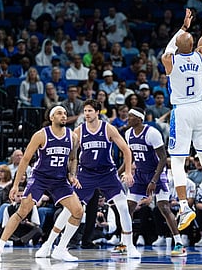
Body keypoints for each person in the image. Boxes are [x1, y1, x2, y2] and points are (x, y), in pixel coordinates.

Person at [36, 99, 140, 258]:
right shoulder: (78, 131)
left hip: (107, 173)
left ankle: (129, 244)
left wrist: (128, 172)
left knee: (123, 207)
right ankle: (49, 244)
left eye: (90, 111)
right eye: (85, 111)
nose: (86, 114)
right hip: (86, 174)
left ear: (98, 112)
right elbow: (69, 154)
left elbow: (127, 150)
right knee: (69, 210)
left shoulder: (108, 129)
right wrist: (70, 174)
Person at [160, 0, 202, 232]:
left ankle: (185, 207)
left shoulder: (171, 61)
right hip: (201, 109)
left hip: (183, 111)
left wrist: (182, 27)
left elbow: (168, 50)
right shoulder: (200, 55)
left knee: (176, 162)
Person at [0, 105, 84, 262]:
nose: (64, 116)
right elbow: (25, 159)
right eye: (60, 113)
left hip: (59, 180)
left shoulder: (73, 137)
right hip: (40, 178)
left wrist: (72, 174)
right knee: (22, 211)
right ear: (51, 117)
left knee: (78, 211)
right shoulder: (41, 135)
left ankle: (60, 248)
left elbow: (73, 158)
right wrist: (15, 185)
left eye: (65, 113)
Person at [125, 107, 186, 257]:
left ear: (139, 119)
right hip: (140, 173)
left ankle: (179, 243)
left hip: (156, 173)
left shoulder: (152, 133)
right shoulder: (128, 134)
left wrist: (153, 180)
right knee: (128, 208)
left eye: (131, 116)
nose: (128, 119)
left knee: (163, 207)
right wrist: (121, 172)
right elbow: (130, 157)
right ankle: (124, 243)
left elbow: (163, 158)